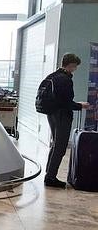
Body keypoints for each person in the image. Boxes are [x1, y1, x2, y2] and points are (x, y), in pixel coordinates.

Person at [42, 53, 90, 188]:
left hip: (51, 113)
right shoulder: (65, 79)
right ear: (71, 65)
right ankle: (51, 177)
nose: (75, 69)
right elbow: (66, 103)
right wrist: (80, 105)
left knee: (55, 144)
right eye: (75, 66)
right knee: (61, 147)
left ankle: (49, 173)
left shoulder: (52, 76)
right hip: (62, 115)